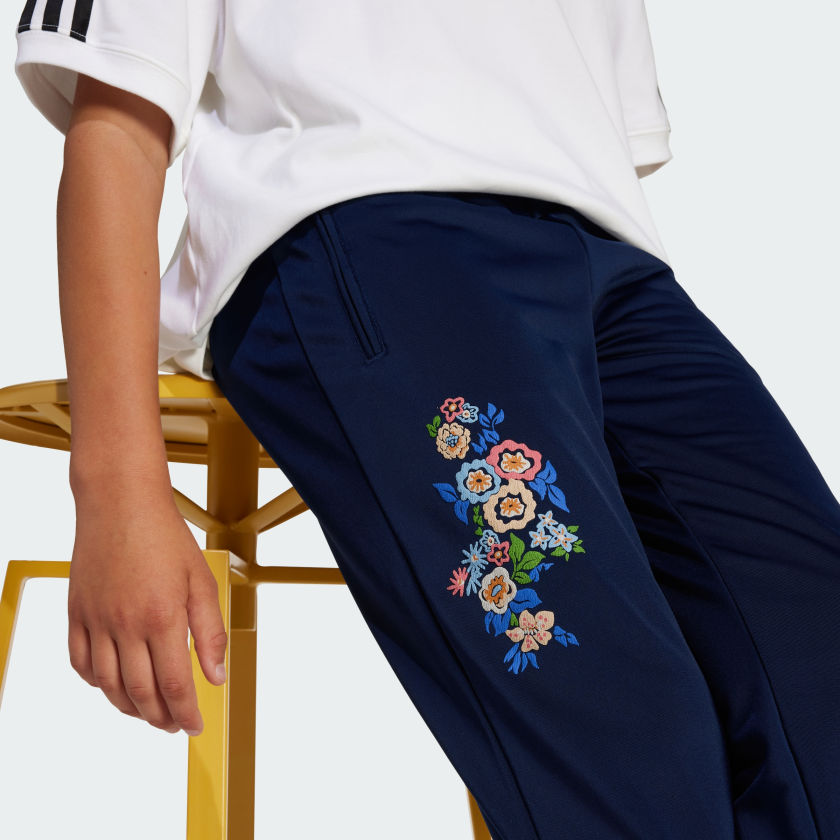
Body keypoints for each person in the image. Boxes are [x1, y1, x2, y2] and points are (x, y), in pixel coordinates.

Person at [12, 1, 840, 838]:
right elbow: (118, 119)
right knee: (627, 725)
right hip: (371, 232)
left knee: (817, 672)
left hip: (612, 264)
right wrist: (116, 491)